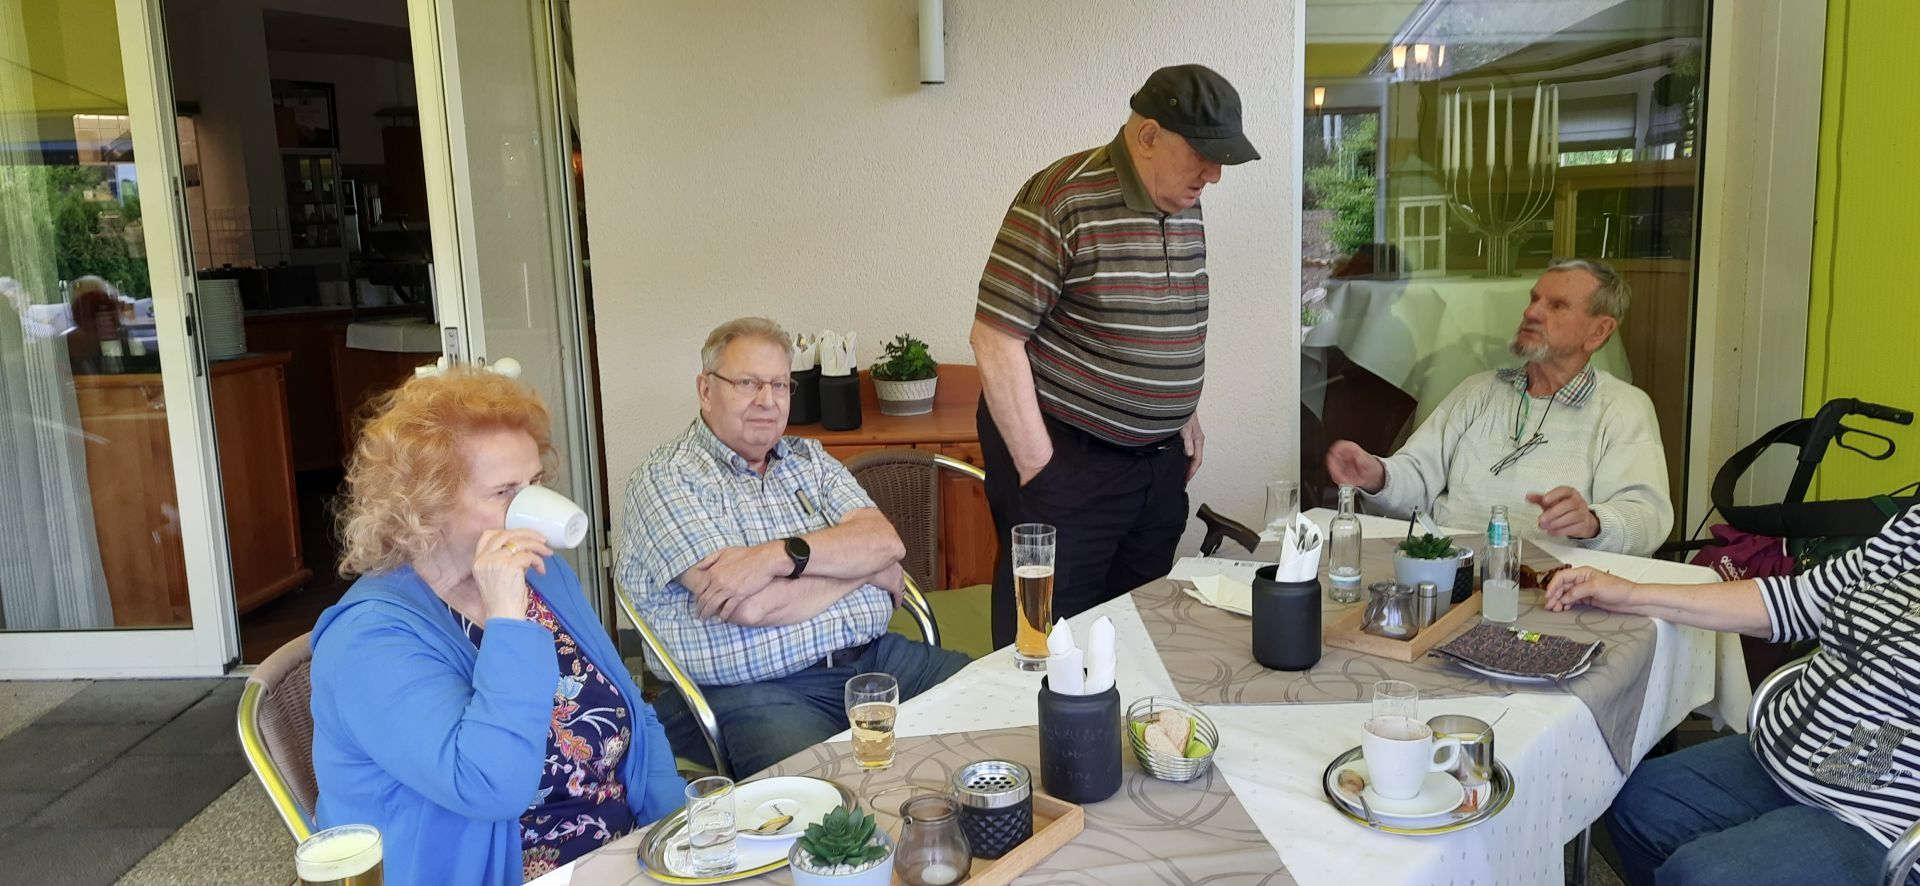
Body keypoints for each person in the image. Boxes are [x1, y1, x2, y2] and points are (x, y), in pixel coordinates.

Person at [310, 367, 682, 885]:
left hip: (621, 851)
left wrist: (676, 836)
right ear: (426, 506)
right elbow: (489, 785)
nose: (532, 510)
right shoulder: (367, 641)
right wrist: (506, 618)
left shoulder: (543, 575)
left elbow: (635, 716)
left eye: (534, 484)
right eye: (505, 492)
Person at [970, 63, 1261, 646]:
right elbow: (994, 338)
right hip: (1070, 463)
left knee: (1137, 638)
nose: (1214, 174)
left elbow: (1161, 319)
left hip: (1155, 471)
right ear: (1148, 135)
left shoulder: (1183, 199)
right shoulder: (1060, 197)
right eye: (1203, 155)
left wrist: (1180, 409)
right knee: (1047, 647)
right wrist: (1040, 470)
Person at [616, 317, 970, 776]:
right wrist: (862, 570)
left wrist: (775, 557)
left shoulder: (809, 460)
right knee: (833, 796)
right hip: (754, 692)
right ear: (705, 390)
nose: (767, 401)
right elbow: (751, 606)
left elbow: (884, 542)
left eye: (780, 385)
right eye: (747, 383)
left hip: (873, 660)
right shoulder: (666, 479)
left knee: (999, 707)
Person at [1545, 505, 1920, 884]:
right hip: (1787, 752)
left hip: (1880, 820)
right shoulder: (1913, 528)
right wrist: (1630, 594)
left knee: (1700, 875)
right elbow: (1802, 600)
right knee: (1636, 805)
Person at [1325, 258, 1672, 556]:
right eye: (1534, 299)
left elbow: (1648, 516)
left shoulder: (1622, 409)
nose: (1531, 312)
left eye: (1557, 305)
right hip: (1450, 567)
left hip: (1554, 583)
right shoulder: (1478, 390)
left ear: (1599, 331)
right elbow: (1417, 474)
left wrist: (1593, 522)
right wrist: (1377, 475)